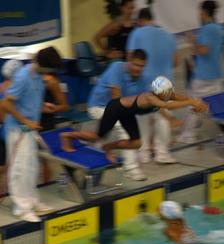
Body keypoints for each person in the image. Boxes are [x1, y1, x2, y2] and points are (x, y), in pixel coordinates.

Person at [61, 76, 208, 163]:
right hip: (115, 109)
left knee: (136, 143)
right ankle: (67, 136)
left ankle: (108, 148)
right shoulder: (151, 97)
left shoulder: (162, 94)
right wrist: (190, 103)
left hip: (127, 113)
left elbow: (176, 97)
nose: (171, 94)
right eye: (168, 92)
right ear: (160, 92)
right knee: (97, 137)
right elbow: (166, 105)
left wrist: (194, 100)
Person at [2, 47, 63, 222]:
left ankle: (32, 201)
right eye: (50, 69)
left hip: (30, 130)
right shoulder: (23, 77)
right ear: (43, 65)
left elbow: (27, 100)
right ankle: (21, 208)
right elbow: (5, 104)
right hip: (17, 131)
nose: (51, 73)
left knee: (31, 168)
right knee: (19, 169)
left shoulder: (38, 77)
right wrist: (25, 121)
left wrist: (43, 107)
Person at [86, 49, 151, 181]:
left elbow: (146, 100)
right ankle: (131, 169)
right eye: (135, 65)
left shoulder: (143, 79)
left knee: (104, 137)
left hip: (116, 108)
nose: (138, 69)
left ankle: (94, 169)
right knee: (125, 129)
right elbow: (116, 100)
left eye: (141, 66)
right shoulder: (117, 68)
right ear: (129, 61)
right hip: (98, 106)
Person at [127, 7, 180, 164]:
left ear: (140, 21)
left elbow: (131, 59)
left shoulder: (136, 33)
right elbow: (176, 62)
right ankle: (162, 154)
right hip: (165, 82)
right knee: (163, 119)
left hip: (143, 82)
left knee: (142, 119)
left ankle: (143, 154)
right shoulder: (168, 35)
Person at [179, 0, 224, 145]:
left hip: (203, 76)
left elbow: (203, 50)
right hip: (216, 74)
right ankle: (223, 133)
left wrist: (192, 40)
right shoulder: (219, 29)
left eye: (200, 11)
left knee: (194, 105)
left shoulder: (207, 30)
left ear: (204, 12)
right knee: (218, 107)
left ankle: (188, 135)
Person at [0, 60, 24, 197]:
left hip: (4, 132)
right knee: (11, 167)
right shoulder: (19, 89)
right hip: (12, 132)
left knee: (4, 167)